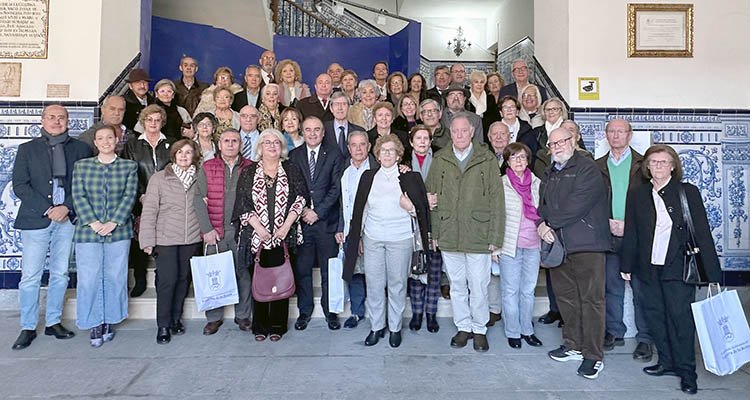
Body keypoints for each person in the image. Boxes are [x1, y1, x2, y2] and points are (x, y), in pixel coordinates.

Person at [621, 144, 720, 395]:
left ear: (673, 166)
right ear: (647, 167)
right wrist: (626, 265)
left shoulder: (687, 192)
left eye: (663, 162)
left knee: (680, 319)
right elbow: (632, 232)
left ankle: (687, 372)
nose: (658, 167)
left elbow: (702, 232)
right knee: (655, 316)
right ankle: (666, 362)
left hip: (677, 266)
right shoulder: (638, 194)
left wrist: (712, 273)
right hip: (647, 267)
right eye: (653, 162)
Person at [11, 104, 92, 350]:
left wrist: (66, 207)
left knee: (60, 273)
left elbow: (83, 184)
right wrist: (48, 210)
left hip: (66, 219)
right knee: (31, 276)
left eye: (61, 117)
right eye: (52, 117)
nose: (57, 121)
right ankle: (27, 326)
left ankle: (53, 321)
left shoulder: (80, 149)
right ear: (42, 120)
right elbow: (20, 185)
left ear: (68, 121)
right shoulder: (27, 149)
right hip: (36, 219)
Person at [425, 112, 504, 352]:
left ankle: (479, 328)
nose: (459, 135)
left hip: (478, 233)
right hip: (449, 232)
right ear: (451, 133)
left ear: (472, 132)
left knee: (479, 285)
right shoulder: (440, 158)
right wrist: (434, 233)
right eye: (455, 131)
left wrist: (495, 237)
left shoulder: (486, 159)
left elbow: (497, 200)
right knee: (457, 285)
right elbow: (431, 198)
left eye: (463, 130)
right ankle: (463, 327)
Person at [344, 135, 430, 347]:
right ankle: (376, 327)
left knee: (397, 285)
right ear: (378, 154)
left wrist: (409, 207)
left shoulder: (410, 177)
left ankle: (395, 328)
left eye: (392, 150)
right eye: (384, 150)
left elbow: (422, 212)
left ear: (399, 155)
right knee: (374, 285)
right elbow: (359, 210)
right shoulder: (368, 176)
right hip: (373, 238)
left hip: (400, 239)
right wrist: (359, 237)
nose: (388, 154)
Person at [539, 127, 610, 379]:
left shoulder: (588, 168)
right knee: (567, 299)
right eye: (552, 144)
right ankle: (573, 345)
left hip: (587, 245)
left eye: (562, 141)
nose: (557, 146)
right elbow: (543, 205)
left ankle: (593, 355)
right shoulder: (550, 172)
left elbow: (577, 205)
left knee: (591, 301)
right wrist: (541, 222)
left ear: (574, 140)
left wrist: (549, 223)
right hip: (560, 246)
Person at [235, 129, 309, 340]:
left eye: (276, 142)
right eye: (267, 142)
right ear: (259, 147)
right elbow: (242, 203)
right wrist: (259, 228)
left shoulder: (291, 168)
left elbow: (301, 198)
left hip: (284, 235)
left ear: (282, 146)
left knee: (281, 279)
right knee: (259, 279)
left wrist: (285, 227)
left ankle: (277, 325)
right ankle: (260, 326)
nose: (272, 146)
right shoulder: (249, 172)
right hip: (256, 237)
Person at [71, 125, 138, 347]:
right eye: (101, 138)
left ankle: (110, 320)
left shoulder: (129, 167)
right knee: (89, 278)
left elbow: (130, 196)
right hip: (88, 231)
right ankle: (94, 322)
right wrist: (94, 222)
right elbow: (78, 195)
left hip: (118, 231)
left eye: (110, 137)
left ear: (117, 140)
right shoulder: (82, 166)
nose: (106, 141)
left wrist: (113, 222)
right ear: (95, 142)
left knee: (115, 276)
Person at [595, 119, 653, 360]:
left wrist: (630, 225)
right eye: (612, 131)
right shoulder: (597, 165)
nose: (616, 135)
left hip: (637, 237)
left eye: (621, 131)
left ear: (630, 135)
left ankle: (646, 339)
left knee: (642, 289)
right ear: (606, 135)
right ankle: (614, 331)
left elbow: (652, 203)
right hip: (607, 235)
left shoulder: (644, 165)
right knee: (610, 287)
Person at [139, 139, 202, 344]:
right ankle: (163, 325)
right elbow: (149, 211)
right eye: (180, 152)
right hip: (165, 238)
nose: (184, 156)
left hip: (191, 237)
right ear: (173, 155)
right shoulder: (159, 178)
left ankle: (176, 319)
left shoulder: (200, 177)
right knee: (167, 281)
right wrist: (147, 240)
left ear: (194, 155)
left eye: (188, 152)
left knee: (184, 279)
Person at [194, 129, 254, 335]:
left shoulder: (250, 167)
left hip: (241, 231)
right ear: (219, 145)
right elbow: (198, 199)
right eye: (226, 141)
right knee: (214, 274)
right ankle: (214, 318)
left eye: (234, 141)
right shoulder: (208, 167)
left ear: (240, 144)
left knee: (243, 273)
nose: (230, 144)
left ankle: (243, 315)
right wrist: (207, 230)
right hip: (216, 231)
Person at [289, 116, 345, 331]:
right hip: (302, 223)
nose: (312, 133)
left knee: (327, 271)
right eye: (308, 130)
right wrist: (303, 210)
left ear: (323, 132)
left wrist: (318, 212)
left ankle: (330, 312)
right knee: (303, 269)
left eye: (317, 130)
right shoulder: (294, 156)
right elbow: (292, 188)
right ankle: (304, 311)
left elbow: (336, 188)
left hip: (326, 223)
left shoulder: (334, 154)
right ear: (303, 132)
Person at [122, 104, 172, 298]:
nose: (153, 123)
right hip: (141, 199)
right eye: (149, 120)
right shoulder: (132, 145)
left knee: (164, 241)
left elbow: (174, 172)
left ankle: (162, 278)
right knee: (140, 239)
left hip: (166, 200)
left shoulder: (171, 143)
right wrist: (141, 195)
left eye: (157, 120)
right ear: (143, 122)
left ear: (162, 122)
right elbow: (129, 173)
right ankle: (141, 279)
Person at [497, 142, 543, 349]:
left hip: (533, 244)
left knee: (528, 289)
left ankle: (527, 330)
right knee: (510, 290)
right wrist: (495, 247)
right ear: (507, 161)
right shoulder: (502, 184)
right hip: (510, 245)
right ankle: (513, 331)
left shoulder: (537, 183)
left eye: (522, 157)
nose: (519, 161)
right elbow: (495, 217)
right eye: (514, 157)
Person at [335, 131, 377, 329]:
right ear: (349, 148)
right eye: (354, 145)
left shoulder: (378, 169)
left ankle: (379, 313)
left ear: (369, 147)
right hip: (350, 229)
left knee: (376, 273)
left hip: (375, 230)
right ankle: (357, 311)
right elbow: (341, 202)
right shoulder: (344, 170)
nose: (358, 149)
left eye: (362, 144)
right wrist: (339, 227)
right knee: (355, 272)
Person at [404, 125, 442, 333]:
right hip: (411, 227)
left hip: (434, 226)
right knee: (415, 272)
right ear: (411, 142)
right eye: (418, 138)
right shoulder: (403, 166)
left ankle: (431, 314)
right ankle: (417, 313)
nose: (422, 142)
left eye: (426, 138)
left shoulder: (439, 163)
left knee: (434, 273)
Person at [529, 97, 568, 178]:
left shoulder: (568, 129)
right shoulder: (537, 132)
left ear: (561, 111)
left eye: (555, 109)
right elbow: (532, 156)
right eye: (548, 110)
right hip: (541, 172)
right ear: (544, 113)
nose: (551, 112)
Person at [324, 91, 364, 158]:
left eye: (343, 104)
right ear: (331, 108)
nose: (340, 108)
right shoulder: (323, 129)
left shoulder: (359, 131)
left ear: (348, 107)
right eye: (336, 104)